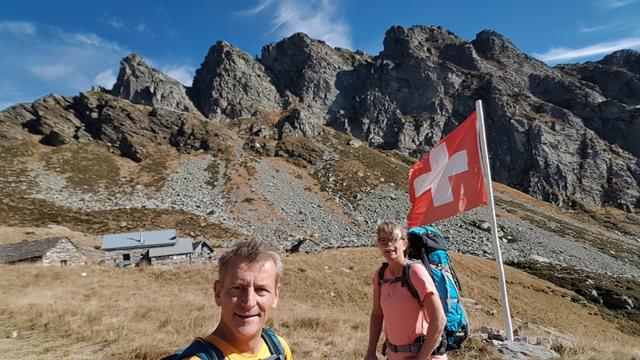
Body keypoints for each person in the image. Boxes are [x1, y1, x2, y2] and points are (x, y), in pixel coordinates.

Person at [166, 239, 293, 360]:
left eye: (261, 290)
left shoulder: (279, 348)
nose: (249, 303)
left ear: (276, 295)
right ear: (218, 293)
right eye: (237, 288)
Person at [365, 221, 447, 360]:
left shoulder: (415, 271)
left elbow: (439, 319)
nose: (388, 245)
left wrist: (421, 358)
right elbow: (377, 315)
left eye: (394, 239)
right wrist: (371, 352)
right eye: (383, 240)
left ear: (404, 244)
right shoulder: (380, 275)